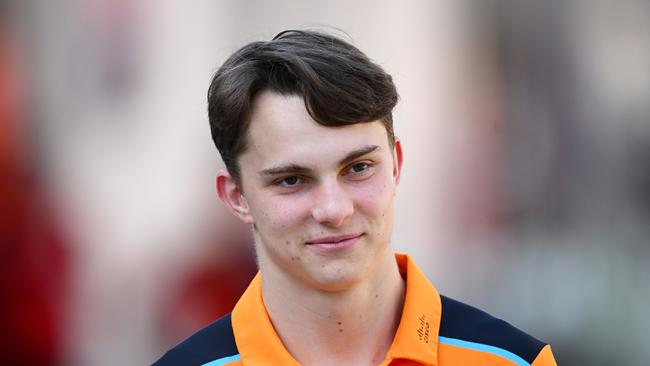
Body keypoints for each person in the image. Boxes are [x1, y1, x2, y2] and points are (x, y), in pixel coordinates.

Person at [153, 29, 557, 366]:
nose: (334, 209)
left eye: (358, 168)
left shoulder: (514, 361)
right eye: (292, 180)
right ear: (237, 196)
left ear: (395, 165)